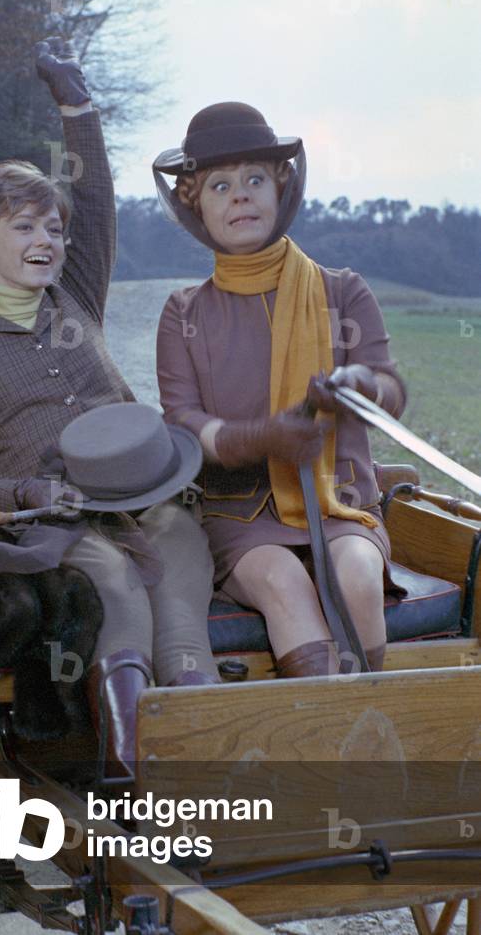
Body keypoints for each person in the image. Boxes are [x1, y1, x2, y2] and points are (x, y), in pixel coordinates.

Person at [0, 39, 221, 776]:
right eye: (25, 227)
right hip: (49, 521)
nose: (47, 239)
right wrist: (24, 490)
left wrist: (76, 105)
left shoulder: (77, 295)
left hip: (145, 494)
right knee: (112, 579)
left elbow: (94, 198)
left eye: (51, 229)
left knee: (179, 555)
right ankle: (130, 765)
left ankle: (208, 751)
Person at [153, 102, 408, 678]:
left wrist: (360, 384)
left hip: (339, 503)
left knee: (357, 580)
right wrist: (264, 436)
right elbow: (185, 426)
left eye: (254, 180)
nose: (239, 195)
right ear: (194, 206)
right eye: (219, 185)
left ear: (281, 188)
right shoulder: (183, 313)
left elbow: (390, 392)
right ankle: (319, 748)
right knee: (284, 582)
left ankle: (367, 735)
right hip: (239, 519)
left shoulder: (344, 292)